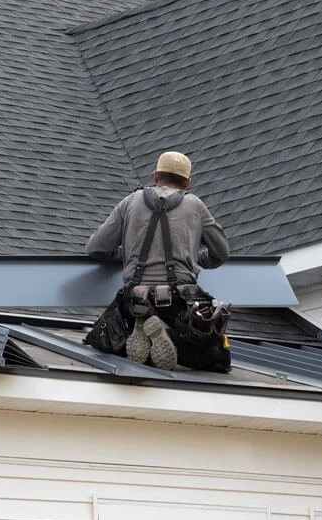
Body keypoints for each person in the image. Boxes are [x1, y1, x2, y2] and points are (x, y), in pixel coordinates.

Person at [85, 151, 230, 370]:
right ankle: (165, 333)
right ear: (187, 182)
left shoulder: (130, 202)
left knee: (105, 340)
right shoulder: (196, 206)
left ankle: (144, 327)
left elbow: (96, 248)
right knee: (219, 358)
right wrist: (195, 259)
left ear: (155, 176)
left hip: (134, 300)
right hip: (178, 304)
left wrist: (128, 256)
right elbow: (220, 253)